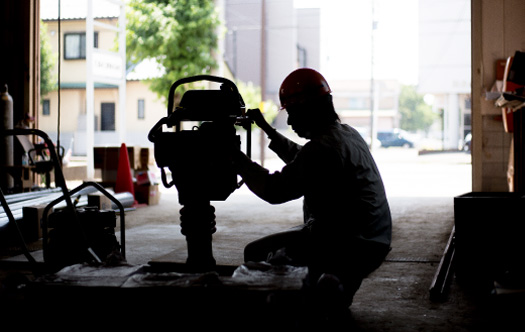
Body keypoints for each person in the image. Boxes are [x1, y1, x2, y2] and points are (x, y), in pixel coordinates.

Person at [234, 68, 392, 310]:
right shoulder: (347, 134)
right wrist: (267, 130)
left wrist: (235, 158)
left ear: (310, 109)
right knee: (309, 243)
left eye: (293, 112)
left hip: (350, 245)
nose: (289, 121)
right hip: (372, 239)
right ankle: (335, 289)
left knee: (256, 253)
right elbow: (303, 160)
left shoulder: (322, 149)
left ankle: (296, 305)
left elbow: (274, 190)